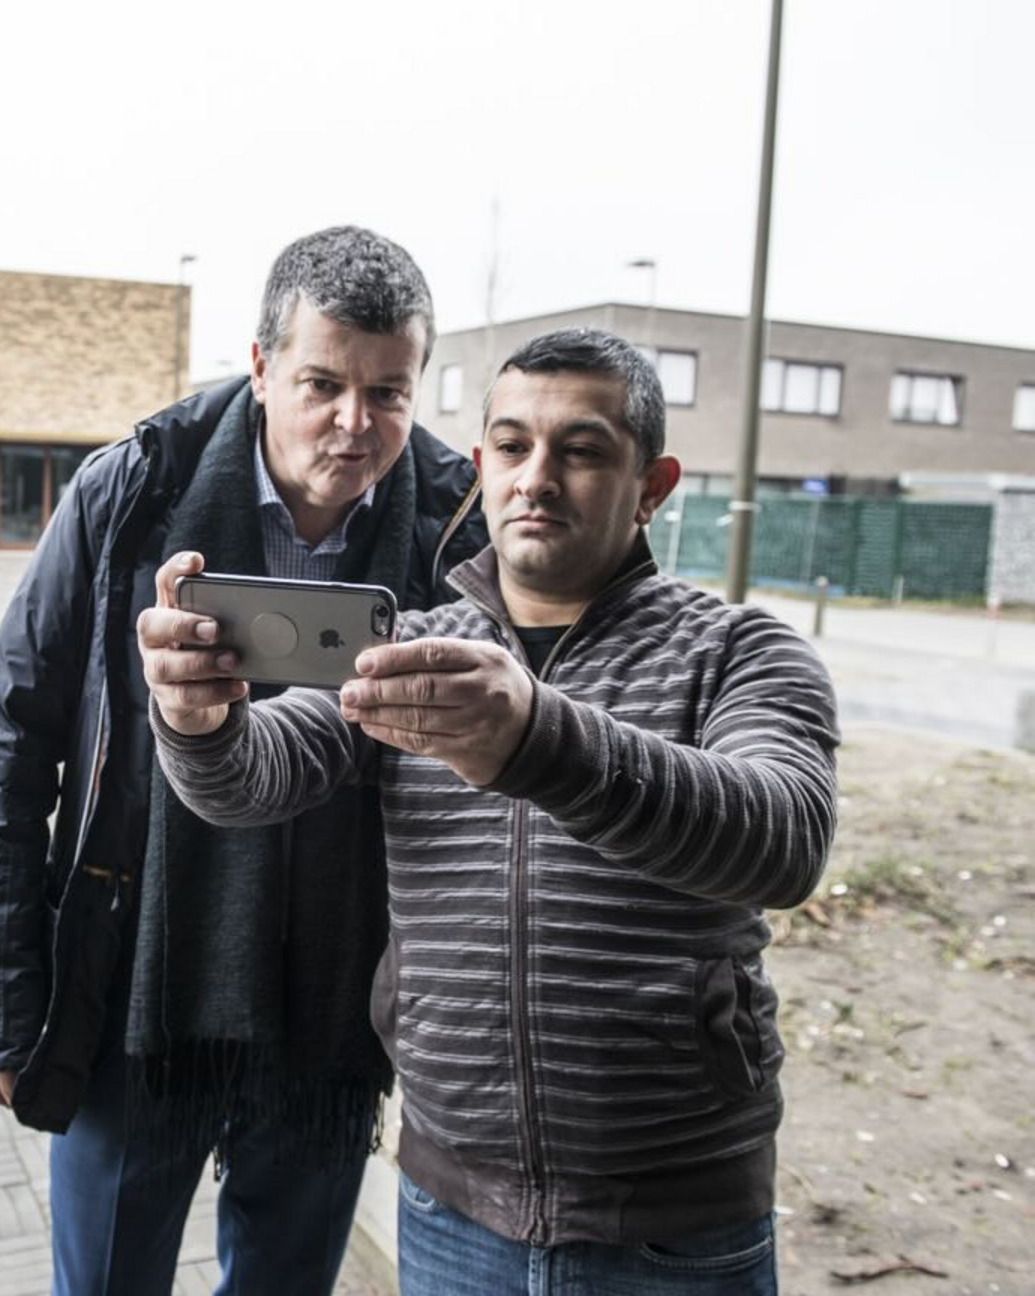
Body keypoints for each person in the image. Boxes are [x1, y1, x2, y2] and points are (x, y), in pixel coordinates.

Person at [140, 327, 840, 1296]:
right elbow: (250, 779)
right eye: (511, 447)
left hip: (677, 1225)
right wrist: (195, 717)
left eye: (582, 450)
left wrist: (538, 742)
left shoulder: (743, 652)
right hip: (450, 1213)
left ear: (654, 485)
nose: (537, 478)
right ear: (481, 467)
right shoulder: (416, 647)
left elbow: (786, 839)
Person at [0, 225, 487, 1294]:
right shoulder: (133, 489)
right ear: (259, 365)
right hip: (135, 981)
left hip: (333, 1003)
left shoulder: (453, 519)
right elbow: (13, 732)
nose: (354, 423)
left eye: (389, 392)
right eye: (322, 383)